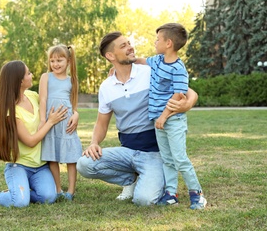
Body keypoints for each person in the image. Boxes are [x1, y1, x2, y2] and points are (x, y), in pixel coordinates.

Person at [76, 31, 198, 206]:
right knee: (84, 164)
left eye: (129, 43)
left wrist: (187, 104)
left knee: (144, 200)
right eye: (123, 45)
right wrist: (94, 142)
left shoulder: (150, 72)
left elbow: (189, 91)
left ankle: (152, 177)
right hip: (127, 151)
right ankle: (130, 180)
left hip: (154, 152)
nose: (130, 47)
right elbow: (101, 123)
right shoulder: (106, 87)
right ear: (110, 55)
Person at [0, 60, 68, 207]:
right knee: (20, 202)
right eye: (28, 73)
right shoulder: (11, 111)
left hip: (41, 166)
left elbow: (58, 100)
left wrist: (75, 113)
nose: (32, 75)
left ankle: (21, 190)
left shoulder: (33, 96)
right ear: (20, 80)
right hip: (19, 166)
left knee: (48, 198)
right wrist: (50, 122)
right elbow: (31, 141)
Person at [136, 23, 207, 210]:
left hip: (172, 120)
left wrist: (163, 116)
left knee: (180, 158)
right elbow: (143, 61)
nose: (154, 41)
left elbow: (179, 94)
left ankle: (197, 194)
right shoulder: (158, 60)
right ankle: (171, 194)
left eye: (157, 39)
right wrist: (125, 61)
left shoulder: (178, 68)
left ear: (168, 43)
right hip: (159, 120)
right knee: (167, 159)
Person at [39, 44, 82, 201]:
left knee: (71, 158)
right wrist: (43, 120)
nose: (55, 64)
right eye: (52, 61)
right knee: (52, 157)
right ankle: (58, 189)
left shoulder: (73, 80)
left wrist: (76, 114)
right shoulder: (46, 77)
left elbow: (74, 104)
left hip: (66, 123)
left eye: (59, 60)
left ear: (68, 61)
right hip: (50, 121)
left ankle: (70, 191)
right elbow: (42, 99)